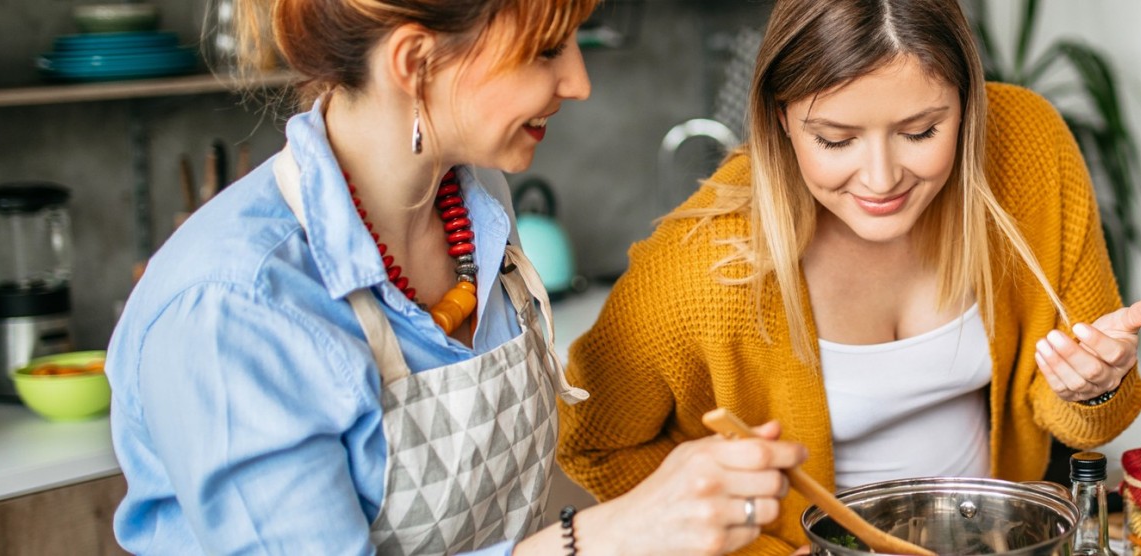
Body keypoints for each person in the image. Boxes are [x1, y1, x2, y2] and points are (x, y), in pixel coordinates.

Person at [105, 0, 806, 554]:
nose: (579, 83)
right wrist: (601, 540)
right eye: (543, 50)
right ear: (416, 61)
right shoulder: (233, 307)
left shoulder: (476, 204)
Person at [556, 0, 1141, 552]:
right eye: (836, 140)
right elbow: (594, 444)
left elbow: (1093, 422)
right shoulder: (700, 264)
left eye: (921, 132)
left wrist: (1094, 387)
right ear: (782, 120)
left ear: (968, 103)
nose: (880, 179)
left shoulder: (1027, 149)